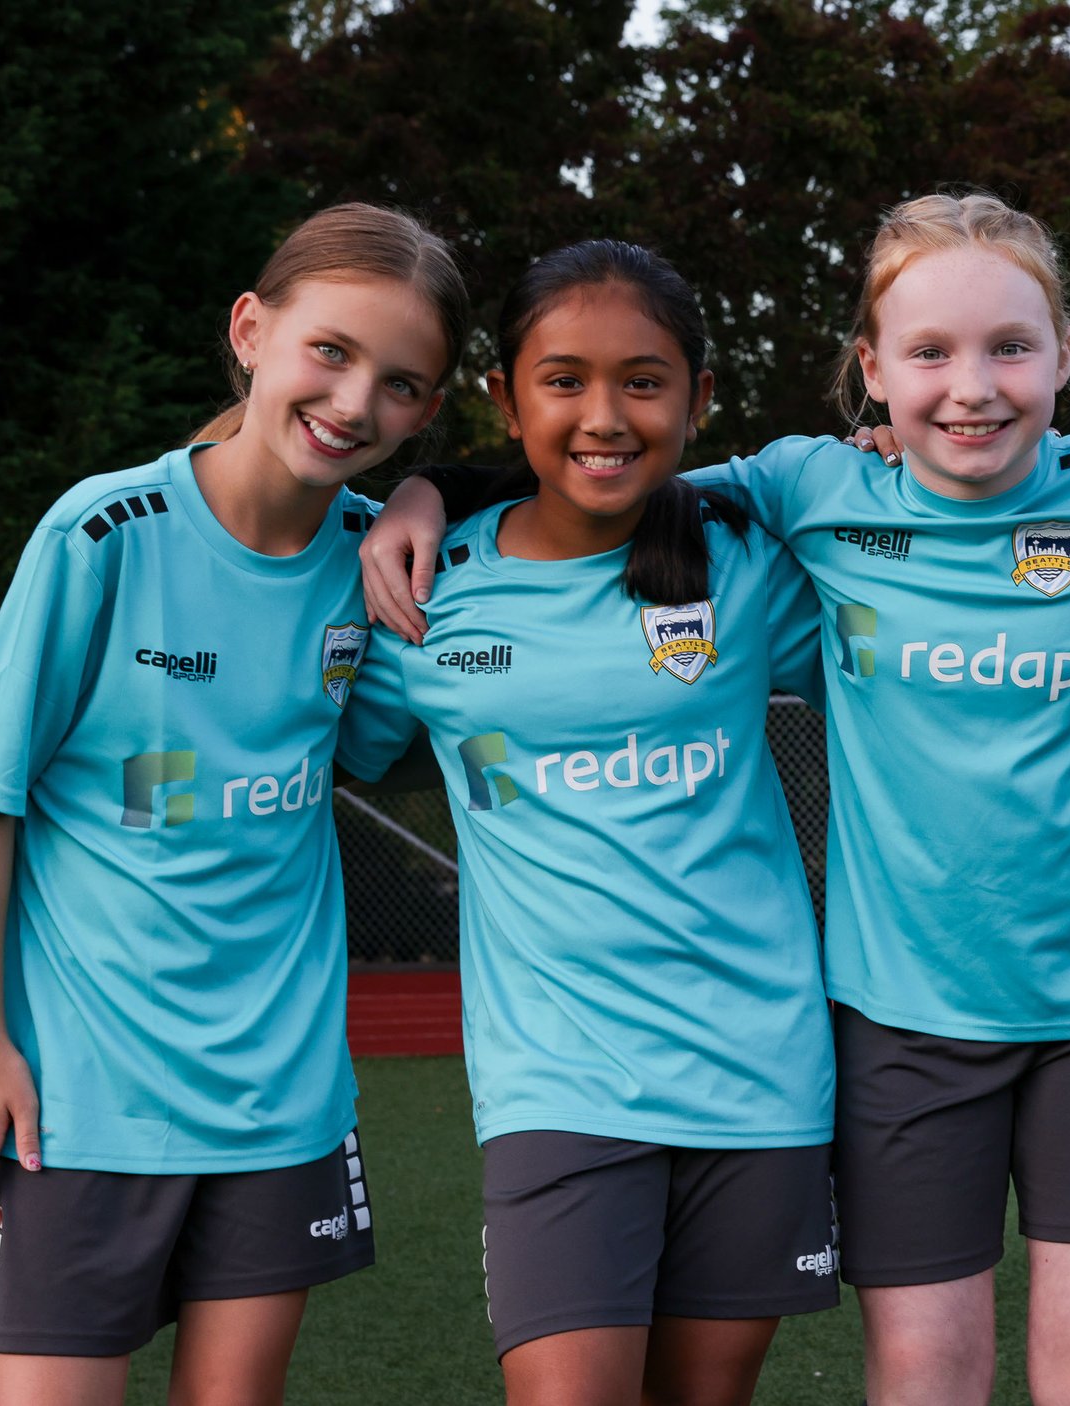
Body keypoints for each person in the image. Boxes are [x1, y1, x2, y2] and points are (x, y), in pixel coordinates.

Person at [354, 192, 1070, 1406]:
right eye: (928, 352)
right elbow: (602, 469)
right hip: (899, 1018)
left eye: (1010, 348)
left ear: (1064, 357)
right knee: (926, 1373)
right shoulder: (805, 490)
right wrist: (430, 491)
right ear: (870, 371)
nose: (970, 386)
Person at [0, 203, 468, 1405]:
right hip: (81, 1094)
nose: (352, 402)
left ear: (426, 410)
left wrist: (429, 495)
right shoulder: (102, 532)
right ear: (251, 328)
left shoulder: (369, 553)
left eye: (399, 384)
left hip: (282, 1099)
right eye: (328, 351)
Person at [334, 240, 834, 1406]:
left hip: (758, 1077)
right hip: (556, 1088)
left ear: (700, 400)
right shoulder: (423, 585)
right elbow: (326, 741)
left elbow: (910, 553)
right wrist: (425, 490)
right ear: (505, 400)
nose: (603, 415)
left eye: (643, 381)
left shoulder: (752, 564)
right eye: (562, 379)